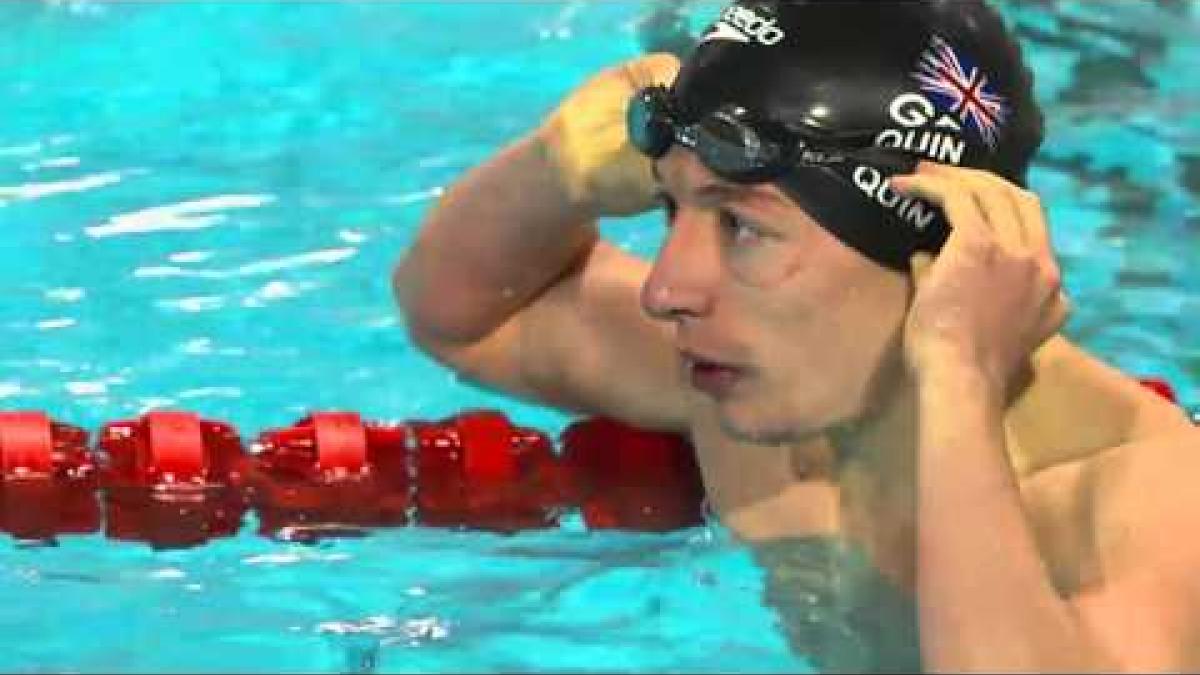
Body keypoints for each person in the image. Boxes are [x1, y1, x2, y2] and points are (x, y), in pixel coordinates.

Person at [394, 0, 1200, 671]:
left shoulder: (1149, 500)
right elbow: (466, 316)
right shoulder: (751, 381)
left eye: (741, 226)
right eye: (674, 209)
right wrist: (555, 168)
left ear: (940, 244)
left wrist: (958, 373)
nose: (664, 289)